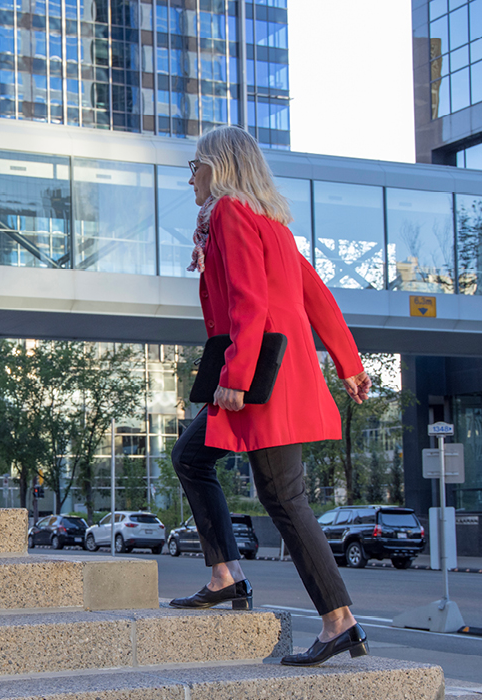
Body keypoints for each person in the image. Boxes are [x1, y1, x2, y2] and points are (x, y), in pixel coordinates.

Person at [168, 125, 373, 668]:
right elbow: (314, 293)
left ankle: (338, 620)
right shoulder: (271, 223)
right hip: (270, 370)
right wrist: (348, 364)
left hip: (259, 376)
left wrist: (234, 375)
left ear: (219, 166)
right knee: (191, 456)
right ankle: (226, 576)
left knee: (284, 498)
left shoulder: (233, 214)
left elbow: (249, 302)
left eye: (195, 166)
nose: (191, 177)